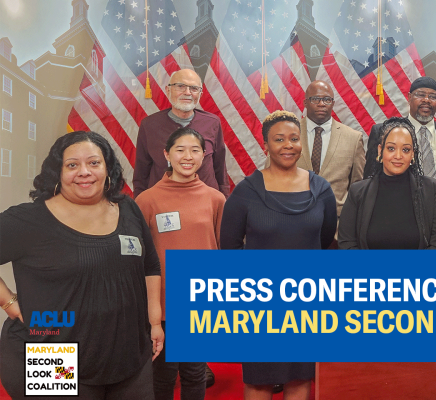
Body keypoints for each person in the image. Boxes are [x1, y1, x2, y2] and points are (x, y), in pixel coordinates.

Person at [0, 131, 162, 399]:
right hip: (53, 357)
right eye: (72, 165)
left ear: (107, 168)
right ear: (58, 172)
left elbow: (150, 265)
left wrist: (154, 322)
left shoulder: (128, 209)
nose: (84, 172)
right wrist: (8, 302)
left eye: (94, 163)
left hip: (129, 354)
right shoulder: (29, 220)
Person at [220, 111, 336, 400]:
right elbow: (230, 248)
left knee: (301, 377)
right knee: (259, 381)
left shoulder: (320, 189)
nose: (288, 145)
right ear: (266, 145)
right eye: (279, 139)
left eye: (294, 139)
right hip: (260, 306)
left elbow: (325, 242)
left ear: (302, 144)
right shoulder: (246, 191)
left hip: (307, 303)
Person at [135, 128, 226, 400]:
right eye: (180, 150)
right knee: (162, 377)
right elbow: (138, 259)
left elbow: (222, 252)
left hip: (199, 303)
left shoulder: (215, 199)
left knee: (195, 374)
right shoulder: (147, 200)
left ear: (204, 155)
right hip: (160, 307)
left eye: (195, 150)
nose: (188, 156)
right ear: (166, 154)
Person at [365, 77, 436, 225]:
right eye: (420, 94)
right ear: (409, 97)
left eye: (432, 96)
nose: (426, 100)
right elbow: (370, 177)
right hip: (394, 218)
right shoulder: (383, 131)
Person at [338, 117, 436, 249]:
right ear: (380, 151)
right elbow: (347, 243)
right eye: (391, 148)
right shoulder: (357, 192)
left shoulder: (432, 190)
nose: (398, 156)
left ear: (413, 155)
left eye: (406, 150)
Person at [133, 69, 229, 199]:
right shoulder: (149, 125)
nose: (187, 92)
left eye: (194, 88)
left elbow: (220, 169)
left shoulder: (212, 123)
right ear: (168, 90)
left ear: (200, 93)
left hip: (205, 202)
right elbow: (141, 174)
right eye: (181, 86)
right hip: (162, 202)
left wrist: (224, 203)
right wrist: (140, 208)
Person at [296, 81, 365, 225]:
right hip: (294, 223)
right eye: (315, 99)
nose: (322, 104)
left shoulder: (353, 138)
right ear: (305, 103)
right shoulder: (288, 133)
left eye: (327, 99)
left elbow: (358, 188)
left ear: (333, 103)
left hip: (337, 227)